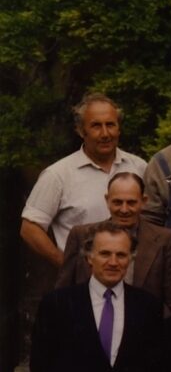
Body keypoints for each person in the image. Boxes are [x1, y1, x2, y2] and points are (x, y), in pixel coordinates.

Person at [19, 94, 145, 271]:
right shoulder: (58, 175)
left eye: (110, 125)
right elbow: (30, 228)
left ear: (119, 128)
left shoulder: (139, 167)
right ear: (80, 130)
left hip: (134, 281)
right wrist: (68, 266)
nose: (105, 134)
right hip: (83, 284)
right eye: (96, 126)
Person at [56, 172, 171, 315]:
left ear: (144, 201)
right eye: (117, 202)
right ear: (107, 200)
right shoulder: (81, 235)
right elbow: (62, 293)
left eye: (131, 202)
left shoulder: (164, 239)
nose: (124, 209)